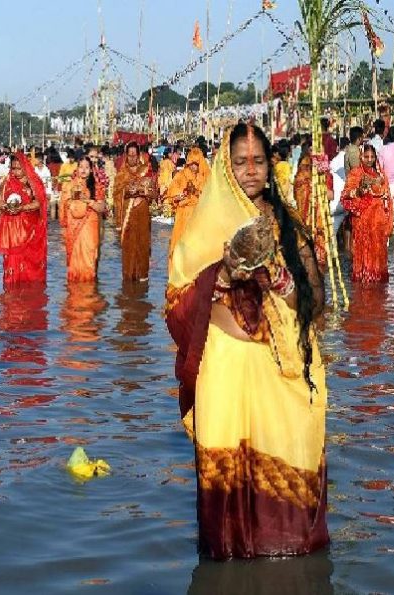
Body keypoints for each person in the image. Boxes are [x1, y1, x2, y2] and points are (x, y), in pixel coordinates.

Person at [166, 122, 327, 559]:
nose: (250, 171)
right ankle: (229, 562)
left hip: (279, 366)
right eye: (240, 162)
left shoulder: (287, 222)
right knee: (229, 481)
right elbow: (176, 301)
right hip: (225, 365)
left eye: (258, 162)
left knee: (287, 456)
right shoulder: (204, 226)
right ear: (226, 164)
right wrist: (219, 276)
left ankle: (284, 560)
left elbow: (314, 297)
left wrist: (277, 276)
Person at [341, 145, 394, 283]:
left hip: (379, 219)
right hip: (363, 219)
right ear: (361, 157)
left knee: (378, 250)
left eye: (372, 157)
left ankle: (376, 283)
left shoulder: (381, 175)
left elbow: (387, 197)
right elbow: (346, 195)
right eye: (366, 157)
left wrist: (389, 219)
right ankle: (364, 282)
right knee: (364, 250)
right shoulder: (356, 173)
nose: (369, 160)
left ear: (376, 157)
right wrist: (359, 191)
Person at [0, 152, 48, 287]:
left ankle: (29, 296)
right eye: (13, 168)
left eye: (19, 169)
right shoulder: (7, 181)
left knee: (28, 263)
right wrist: (6, 207)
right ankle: (12, 294)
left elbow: (39, 203)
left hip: (29, 232)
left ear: (25, 167)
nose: (16, 172)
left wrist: (22, 208)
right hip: (11, 233)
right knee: (12, 262)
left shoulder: (33, 182)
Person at [114, 142, 157, 281]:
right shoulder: (121, 175)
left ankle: (142, 278)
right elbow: (116, 196)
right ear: (126, 156)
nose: (132, 158)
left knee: (143, 245)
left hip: (143, 214)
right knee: (129, 248)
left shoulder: (145, 171)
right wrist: (128, 191)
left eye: (134, 155)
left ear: (138, 155)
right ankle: (128, 279)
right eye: (130, 155)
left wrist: (144, 193)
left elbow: (154, 194)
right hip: (128, 215)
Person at [165, 147, 209, 271]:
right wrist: (182, 194)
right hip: (183, 217)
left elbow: (210, 196)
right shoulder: (181, 175)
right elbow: (172, 193)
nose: (194, 167)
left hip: (198, 218)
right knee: (180, 247)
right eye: (191, 163)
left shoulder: (206, 177)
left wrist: (197, 193)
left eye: (196, 164)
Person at [64, 156, 107, 281]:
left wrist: (88, 201)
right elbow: (64, 205)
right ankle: (76, 297)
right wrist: (72, 203)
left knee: (89, 260)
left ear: (91, 170)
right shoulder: (70, 185)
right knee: (75, 262)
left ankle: (89, 294)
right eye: (81, 167)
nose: (83, 170)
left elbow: (102, 208)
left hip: (90, 227)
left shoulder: (97, 186)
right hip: (73, 227)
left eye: (87, 167)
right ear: (77, 168)